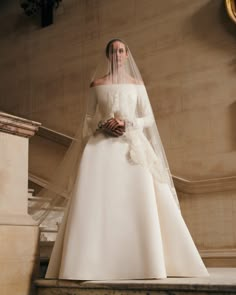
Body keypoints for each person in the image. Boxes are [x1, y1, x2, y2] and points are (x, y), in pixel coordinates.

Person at [45, 38, 209, 280]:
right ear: (108, 55)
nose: (118, 54)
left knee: (138, 198)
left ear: (127, 55)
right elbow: (88, 119)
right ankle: (89, 264)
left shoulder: (137, 84)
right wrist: (103, 124)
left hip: (131, 145)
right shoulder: (96, 84)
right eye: (113, 50)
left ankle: (145, 263)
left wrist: (127, 123)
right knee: (97, 201)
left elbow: (149, 118)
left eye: (121, 50)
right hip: (100, 147)